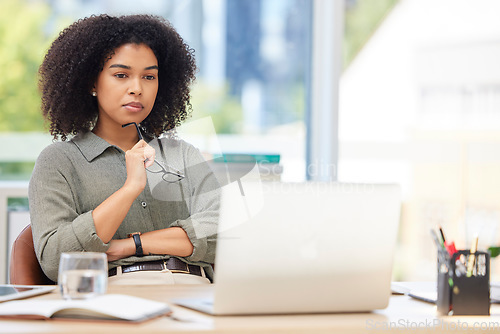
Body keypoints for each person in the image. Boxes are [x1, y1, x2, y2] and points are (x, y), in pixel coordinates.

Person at [29, 14, 220, 285]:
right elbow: (54, 259)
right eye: (121, 75)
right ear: (92, 82)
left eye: (149, 77)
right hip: (116, 295)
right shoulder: (59, 161)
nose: (137, 88)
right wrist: (130, 188)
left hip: (199, 292)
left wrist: (131, 245)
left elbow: (225, 233)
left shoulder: (183, 154)